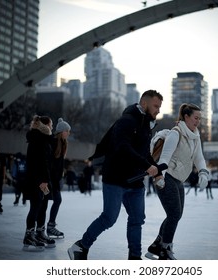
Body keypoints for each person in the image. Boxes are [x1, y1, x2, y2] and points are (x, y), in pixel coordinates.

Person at [67, 89, 163, 260]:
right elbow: (122, 147)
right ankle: (81, 246)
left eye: (159, 107)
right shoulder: (127, 121)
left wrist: (154, 169)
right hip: (115, 179)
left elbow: (144, 153)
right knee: (109, 218)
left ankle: (134, 257)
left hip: (135, 181)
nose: (158, 110)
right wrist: (146, 166)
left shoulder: (146, 125)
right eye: (156, 106)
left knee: (137, 219)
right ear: (144, 103)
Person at [145, 103, 209, 260]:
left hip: (179, 179)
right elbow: (165, 158)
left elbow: (199, 157)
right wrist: (159, 177)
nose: (198, 121)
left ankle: (157, 245)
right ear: (186, 117)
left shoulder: (195, 136)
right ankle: (165, 249)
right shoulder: (176, 133)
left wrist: (203, 172)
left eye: (200, 118)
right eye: (195, 118)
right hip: (167, 177)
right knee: (174, 214)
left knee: (176, 215)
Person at [22, 115, 55, 251]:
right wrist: (41, 180)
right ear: (46, 125)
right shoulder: (37, 139)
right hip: (37, 180)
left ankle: (40, 232)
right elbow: (36, 162)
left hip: (43, 180)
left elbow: (46, 162)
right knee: (35, 207)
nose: (52, 127)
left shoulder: (44, 139)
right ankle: (29, 235)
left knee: (43, 206)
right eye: (51, 124)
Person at [47, 117, 71, 239]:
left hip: (55, 179)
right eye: (67, 131)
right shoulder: (53, 142)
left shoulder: (63, 143)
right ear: (61, 131)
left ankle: (50, 226)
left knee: (57, 200)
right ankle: (39, 228)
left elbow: (59, 165)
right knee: (43, 202)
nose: (68, 133)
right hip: (49, 179)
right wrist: (50, 180)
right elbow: (49, 164)